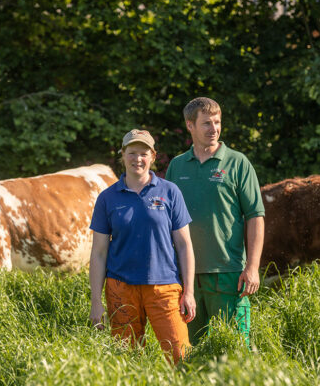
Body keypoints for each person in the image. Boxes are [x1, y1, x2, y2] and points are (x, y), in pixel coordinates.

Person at [89, 129, 196, 365]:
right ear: (123, 155)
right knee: (126, 360)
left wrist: (188, 292)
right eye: (132, 153)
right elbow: (98, 253)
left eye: (143, 153)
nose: (138, 158)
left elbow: (184, 245)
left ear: (153, 156)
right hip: (121, 287)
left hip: (165, 286)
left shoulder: (170, 192)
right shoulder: (108, 197)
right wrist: (96, 301)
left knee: (181, 357)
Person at [165, 97, 265, 347]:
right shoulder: (177, 167)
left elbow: (255, 216)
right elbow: (166, 221)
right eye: (206, 123)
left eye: (217, 122)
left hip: (228, 273)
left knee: (235, 347)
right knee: (188, 351)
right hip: (185, 276)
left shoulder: (238, 162)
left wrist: (252, 267)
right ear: (190, 126)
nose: (214, 129)